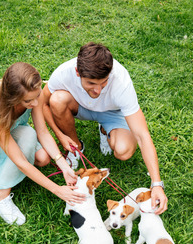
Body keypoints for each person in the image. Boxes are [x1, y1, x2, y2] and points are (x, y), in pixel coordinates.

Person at [41, 42, 168, 215]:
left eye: (104, 82)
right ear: (78, 72)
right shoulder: (63, 73)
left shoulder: (121, 81)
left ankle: (105, 129)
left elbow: (142, 135)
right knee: (56, 100)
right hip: (80, 107)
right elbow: (42, 104)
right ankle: (76, 147)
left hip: (112, 113)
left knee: (123, 151)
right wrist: (61, 136)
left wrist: (156, 184)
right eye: (91, 83)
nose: (98, 90)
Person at [0, 62, 85, 225]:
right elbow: (21, 162)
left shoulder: (34, 94)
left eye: (37, 96)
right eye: (29, 101)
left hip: (13, 127)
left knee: (42, 158)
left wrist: (63, 164)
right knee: (28, 137)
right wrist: (58, 190)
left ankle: (18, 159)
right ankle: (1, 198)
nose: (36, 104)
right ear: (13, 99)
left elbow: (42, 131)